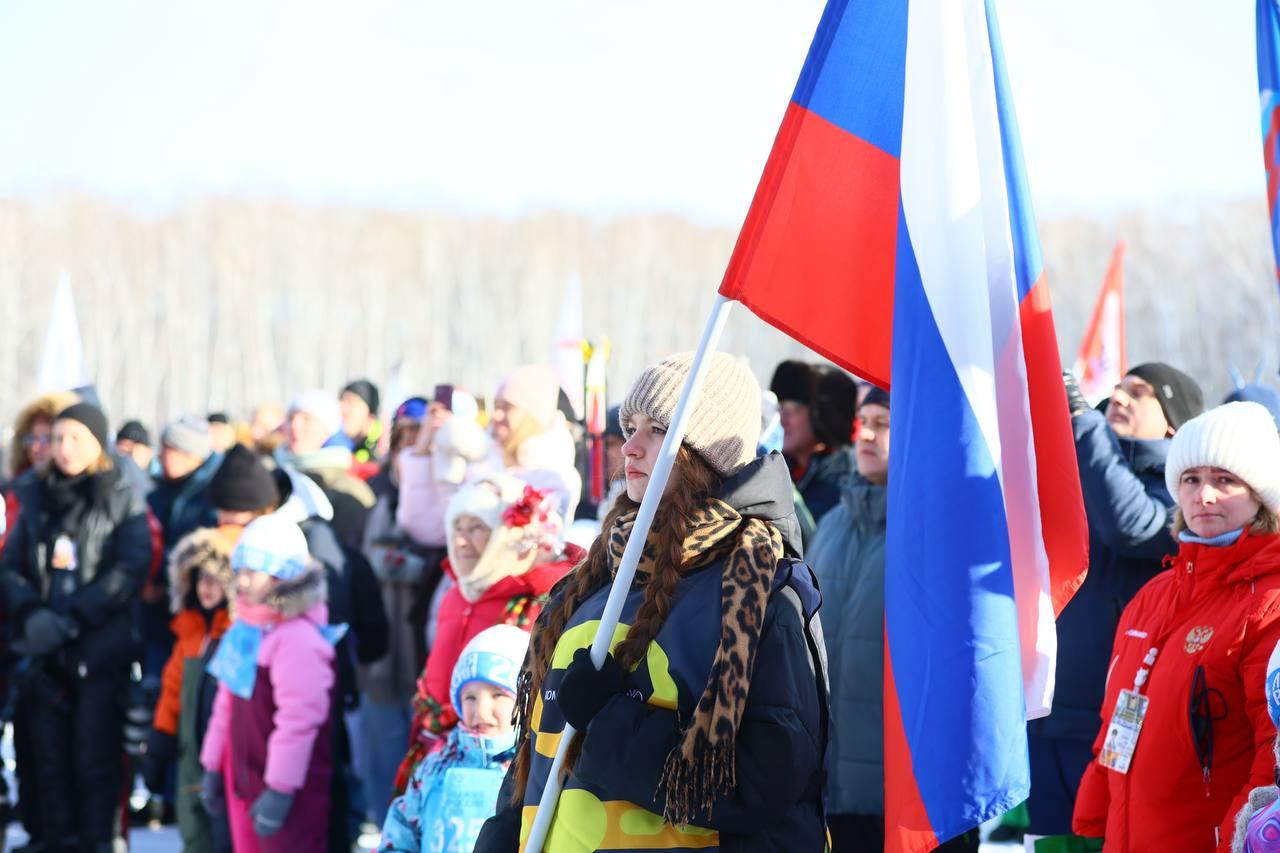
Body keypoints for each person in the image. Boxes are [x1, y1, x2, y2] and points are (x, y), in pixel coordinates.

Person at [475, 352, 828, 852]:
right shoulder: (596, 575)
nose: (630, 448)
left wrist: (608, 723)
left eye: (657, 429)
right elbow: (538, 751)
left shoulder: (762, 589)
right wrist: (503, 834)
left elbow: (766, 783)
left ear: (708, 451)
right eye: (629, 426)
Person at [1071, 401, 1280, 849]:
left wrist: (1242, 840)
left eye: (1224, 480)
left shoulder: (1269, 603)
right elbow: (1118, 717)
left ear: (1260, 494)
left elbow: (1274, 753)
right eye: (1191, 479)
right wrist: (1095, 817)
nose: (1204, 495)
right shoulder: (1154, 595)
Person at [1027, 362, 1205, 835]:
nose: (1119, 397)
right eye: (1118, 388)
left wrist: (1084, 423)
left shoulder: (1183, 489)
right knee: (1049, 843)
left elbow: (1131, 525)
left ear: (1172, 421)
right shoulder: (1083, 466)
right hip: (1049, 711)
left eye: (1139, 392)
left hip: (1118, 723)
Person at [0, 401, 153, 850]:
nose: (63, 449)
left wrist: (73, 619)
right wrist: (33, 613)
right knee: (44, 760)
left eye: (75, 439)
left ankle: (94, 842)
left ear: (97, 446)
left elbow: (130, 567)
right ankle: (51, 839)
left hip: (99, 652)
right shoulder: (35, 496)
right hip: (43, 652)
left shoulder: (122, 496)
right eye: (56, 439)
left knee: (94, 759)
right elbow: (11, 567)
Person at [393, 474, 577, 793]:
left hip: (503, 762)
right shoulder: (458, 591)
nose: (462, 541)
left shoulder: (539, 601)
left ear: (508, 535)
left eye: (476, 528)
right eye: (457, 529)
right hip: (441, 749)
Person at [199, 514, 342, 853]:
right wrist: (213, 765)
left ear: (281, 576)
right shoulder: (245, 630)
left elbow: (299, 720)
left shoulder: (297, 639)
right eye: (240, 572)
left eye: (253, 572)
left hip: (289, 793)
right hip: (244, 783)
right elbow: (225, 705)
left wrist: (280, 788)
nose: (242, 582)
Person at [358, 397, 451, 826]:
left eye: (422, 447)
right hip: (384, 653)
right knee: (382, 757)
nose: (408, 456)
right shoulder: (381, 502)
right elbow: (373, 559)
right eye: (403, 444)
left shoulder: (451, 505)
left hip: (428, 656)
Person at [379, 625, 530, 853]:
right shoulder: (436, 765)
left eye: (498, 695)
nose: (480, 710)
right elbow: (402, 826)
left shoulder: (529, 770)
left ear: (525, 703)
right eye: (470, 697)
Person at [143, 526, 237, 853]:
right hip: (190, 755)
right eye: (200, 579)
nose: (206, 588)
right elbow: (172, 691)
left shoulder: (236, 636)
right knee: (193, 831)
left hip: (225, 759)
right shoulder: (190, 634)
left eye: (215, 579)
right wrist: (160, 738)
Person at [278, 390, 376, 551]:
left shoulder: (348, 489)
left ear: (328, 429)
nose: (295, 426)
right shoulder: (270, 473)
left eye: (307, 419)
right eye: (291, 418)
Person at [488, 364, 582, 519]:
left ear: (532, 416)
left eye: (507, 408)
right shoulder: (486, 461)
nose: (496, 415)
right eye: (496, 406)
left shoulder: (555, 475)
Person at [769, 360, 858, 523]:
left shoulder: (845, 489)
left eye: (791, 408)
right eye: (779, 408)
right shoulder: (776, 470)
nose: (782, 420)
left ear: (823, 416)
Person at [329, 379, 385, 476]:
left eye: (351, 403)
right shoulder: (328, 452)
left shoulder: (380, 464)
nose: (343, 409)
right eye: (341, 401)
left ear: (370, 416)